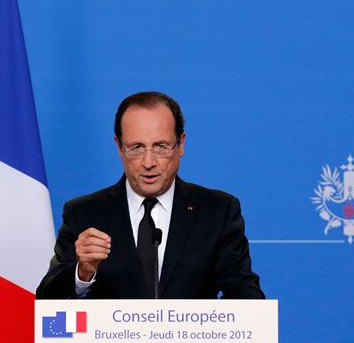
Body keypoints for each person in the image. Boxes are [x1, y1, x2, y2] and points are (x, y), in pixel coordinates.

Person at [36, 91, 264, 299]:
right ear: (119, 147)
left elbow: (246, 296)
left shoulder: (217, 211)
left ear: (181, 144)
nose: (148, 163)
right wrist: (82, 272)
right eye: (136, 147)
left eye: (160, 147)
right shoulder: (84, 213)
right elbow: (46, 301)